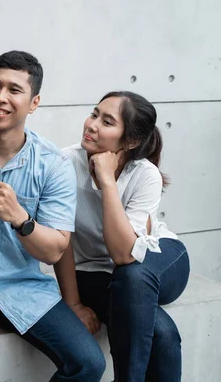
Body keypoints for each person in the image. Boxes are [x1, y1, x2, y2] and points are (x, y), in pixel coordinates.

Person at [0, 51, 106, 381]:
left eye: (14, 90)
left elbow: (55, 249)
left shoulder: (53, 165)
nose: (0, 97)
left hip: (24, 286)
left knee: (89, 362)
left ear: (34, 102)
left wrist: (21, 219)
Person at [57, 91, 190, 382]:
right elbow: (61, 238)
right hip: (96, 271)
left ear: (130, 141)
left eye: (107, 121)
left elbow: (125, 254)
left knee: (134, 275)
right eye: (94, 114)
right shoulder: (65, 163)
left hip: (159, 259)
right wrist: (73, 304)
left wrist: (107, 180)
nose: (92, 125)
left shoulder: (145, 175)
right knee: (163, 335)